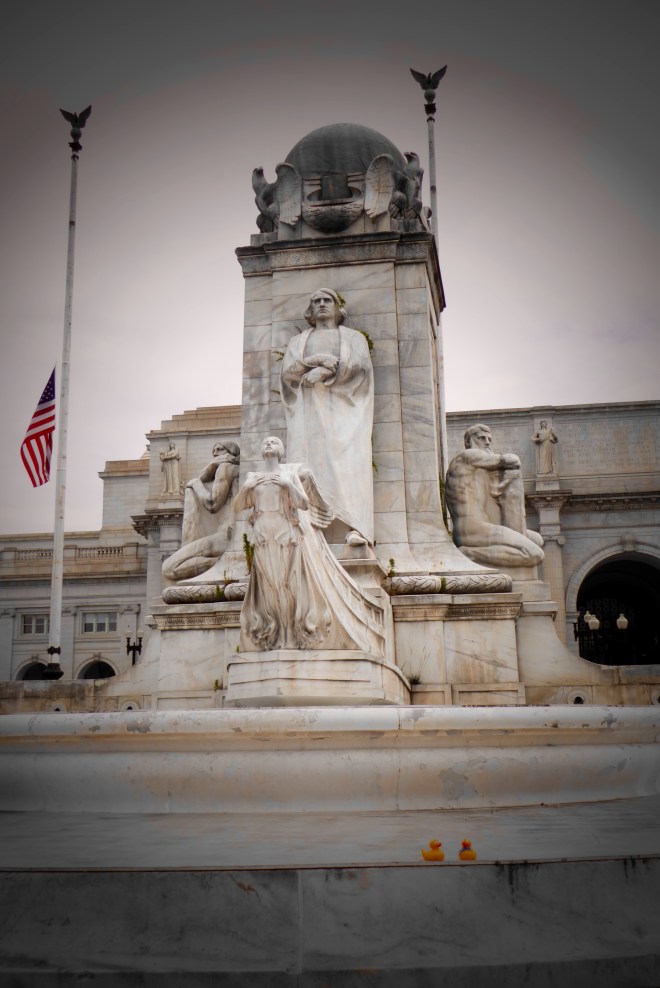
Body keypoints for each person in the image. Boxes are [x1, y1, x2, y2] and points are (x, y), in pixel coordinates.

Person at [233, 437, 381, 654]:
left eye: (273, 442)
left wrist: (287, 484)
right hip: (263, 536)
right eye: (265, 442)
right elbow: (238, 506)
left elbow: (303, 503)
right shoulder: (252, 477)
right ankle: (277, 635)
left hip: (286, 535)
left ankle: (289, 637)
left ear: (281, 450)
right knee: (270, 587)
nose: (268, 444)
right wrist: (246, 488)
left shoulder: (289, 475)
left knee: (286, 585)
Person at [280, 288, 374, 545]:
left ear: (337, 307)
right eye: (316, 301)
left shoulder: (353, 338)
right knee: (308, 470)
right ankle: (305, 528)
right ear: (310, 310)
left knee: (348, 468)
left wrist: (325, 373)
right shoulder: (298, 342)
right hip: (307, 413)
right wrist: (318, 361)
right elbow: (288, 373)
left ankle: (356, 527)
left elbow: (361, 367)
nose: (322, 304)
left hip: (346, 414)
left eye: (327, 300)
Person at [445, 424, 544, 569]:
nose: (487, 442)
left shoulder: (478, 470)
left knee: (538, 540)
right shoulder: (467, 457)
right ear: (468, 441)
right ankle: (468, 554)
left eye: (489, 439)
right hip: (472, 529)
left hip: (486, 527)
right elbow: (512, 460)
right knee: (536, 554)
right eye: (482, 438)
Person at [162, 441, 240, 582]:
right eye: (213, 451)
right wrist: (212, 464)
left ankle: (226, 562)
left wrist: (195, 484)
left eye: (219, 450)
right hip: (227, 537)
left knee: (169, 568)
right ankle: (224, 562)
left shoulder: (226, 468)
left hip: (225, 538)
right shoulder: (232, 470)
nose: (215, 453)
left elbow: (212, 504)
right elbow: (204, 477)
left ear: (231, 453)